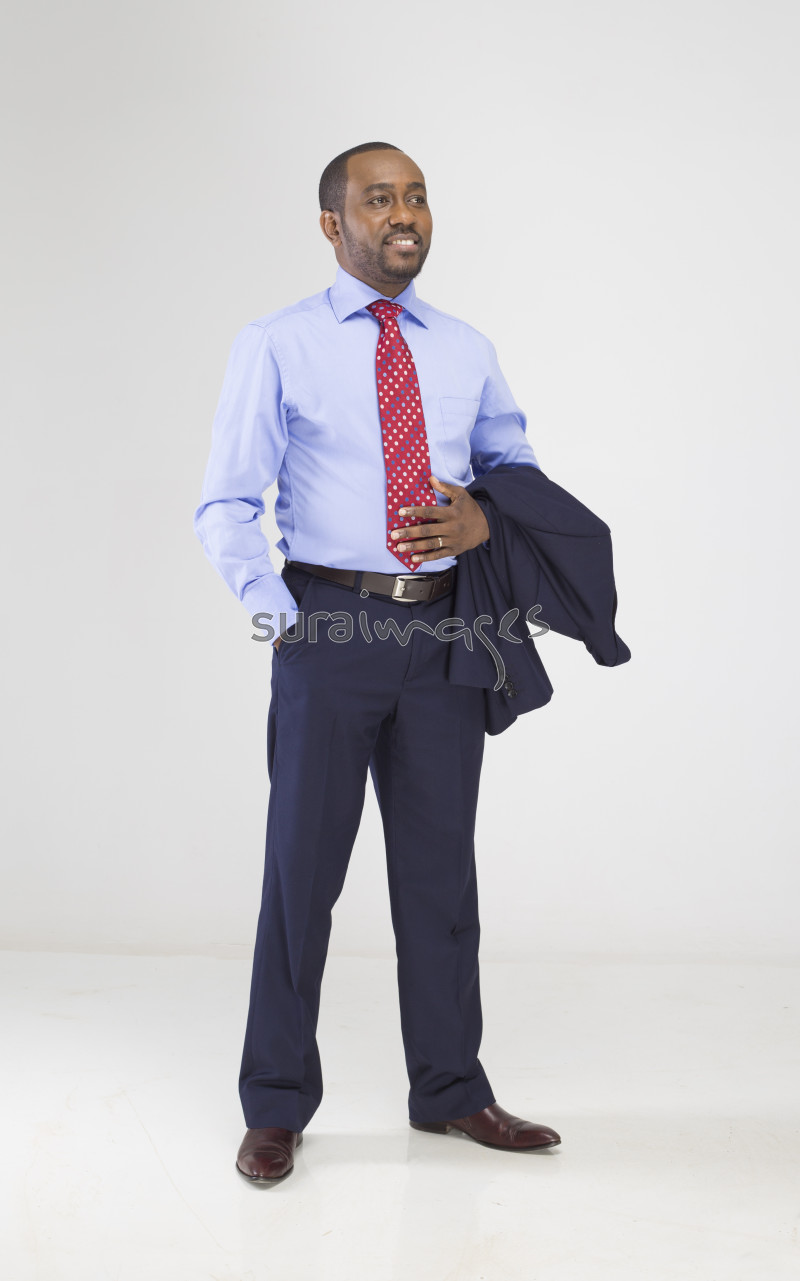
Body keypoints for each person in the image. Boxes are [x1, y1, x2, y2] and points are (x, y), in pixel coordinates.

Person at [193, 141, 562, 1185]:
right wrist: (280, 617)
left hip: (446, 634)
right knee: (300, 876)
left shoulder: (465, 350)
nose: (403, 215)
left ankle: (449, 1088)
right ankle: (275, 1104)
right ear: (333, 224)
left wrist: (484, 516)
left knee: (440, 877)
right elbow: (226, 501)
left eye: (416, 197)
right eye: (378, 199)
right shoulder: (278, 344)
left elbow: (515, 470)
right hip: (330, 628)